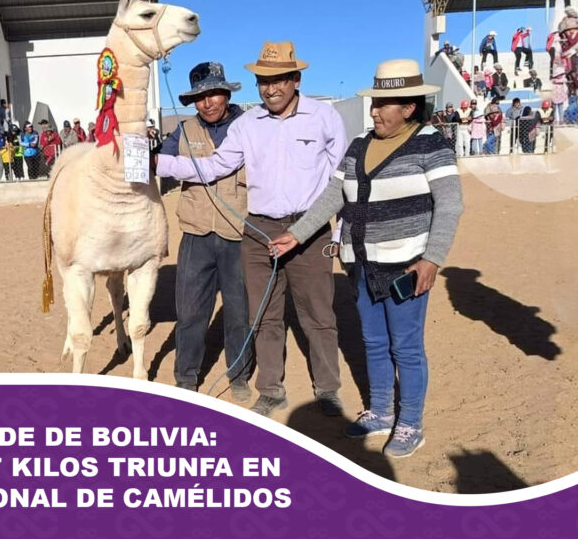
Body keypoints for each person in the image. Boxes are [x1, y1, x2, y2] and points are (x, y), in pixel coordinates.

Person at [269, 58, 463, 458]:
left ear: (409, 107)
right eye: (374, 102)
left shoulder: (432, 144)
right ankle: (380, 411)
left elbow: (450, 205)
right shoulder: (359, 145)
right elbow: (332, 197)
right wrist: (297, 234)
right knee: (374, 341)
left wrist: (432, 259)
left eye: (384, 104)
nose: (374, 111)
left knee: (405, 346)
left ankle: (410, 422)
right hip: (360, 263)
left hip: (407, 266)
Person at [155, 41, 348, 418]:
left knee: (318, 316)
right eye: (263, 81)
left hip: (310, 229)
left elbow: (343, 178)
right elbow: (212, 168)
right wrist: (153, 163)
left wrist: (337, 232)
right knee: (264, 316)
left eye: (279, 80)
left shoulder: (325, 117)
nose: (271, 89)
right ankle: (271, 390)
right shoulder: (246, 125)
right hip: (259, 231)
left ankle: (328, 390)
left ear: (296, 79)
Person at [159, 61, 252, 398]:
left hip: (238, 236)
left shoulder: (250, 126)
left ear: (226, 93)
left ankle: (239, 376)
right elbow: (157, 163)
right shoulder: (182, 132)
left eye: (213, 93)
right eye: (200, 97)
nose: (207, 102)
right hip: (196, 236)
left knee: (239, 311)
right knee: (190, 312)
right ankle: (186, 377)